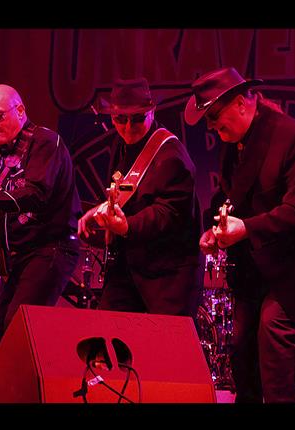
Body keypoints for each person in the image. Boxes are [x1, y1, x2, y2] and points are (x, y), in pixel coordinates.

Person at [184, 67, 295, 403]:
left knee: (273, 334)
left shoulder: (293, 139)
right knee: (241, 345)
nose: (211, 127)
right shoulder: (235, 143)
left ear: (241, 103)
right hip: (259, 266)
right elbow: (230, 197)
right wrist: (216, 228)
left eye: (214, 116)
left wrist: (246, 228)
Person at [0, 84, 81, 367]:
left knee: (16, 327)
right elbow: (9, 203)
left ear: (20, 111)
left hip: (51, 249)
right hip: (21, 257)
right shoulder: (7, 153)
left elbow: (36, 194)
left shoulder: (45, 142)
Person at [78, 77, 204, 318]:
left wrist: (127, 226)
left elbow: (170, 212)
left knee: (167, 350)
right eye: (120, 119)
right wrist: (97, 212)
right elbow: (126, 191)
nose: (127, 127)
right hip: (130, 268)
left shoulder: (171, 155)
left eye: (137, 119)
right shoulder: (122, 143)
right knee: (107, 340)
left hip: (168, 275)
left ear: (152, 111)